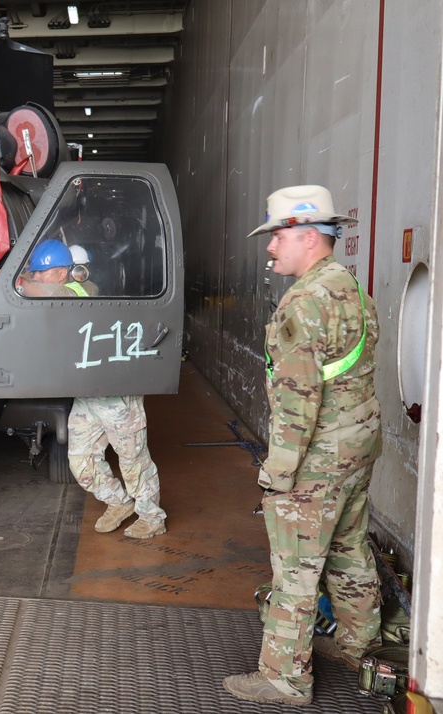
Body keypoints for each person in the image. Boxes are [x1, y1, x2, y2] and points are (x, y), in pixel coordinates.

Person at [223, 185, 382, 707]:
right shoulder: (351, 289)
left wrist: (279, 472)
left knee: (296, 565)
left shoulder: (303, 303)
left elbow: (298, 401)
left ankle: (284, 678)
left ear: (308, 236)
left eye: (277, 235)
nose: (270, 247)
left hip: (317, 458)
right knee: (348, 548)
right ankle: (360, 648)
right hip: (356, 446)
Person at [0, 238, 167, 539]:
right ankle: (119, 503)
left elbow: (26, 288)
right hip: (88, 392)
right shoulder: (76, 284)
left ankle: (152, 517)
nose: (38, 277)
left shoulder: (67, 292)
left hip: (114, 392)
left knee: (133, 458)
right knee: (80, 459)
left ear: (61, 272)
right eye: (36, 272)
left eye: (43, 272)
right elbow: (29, 281)